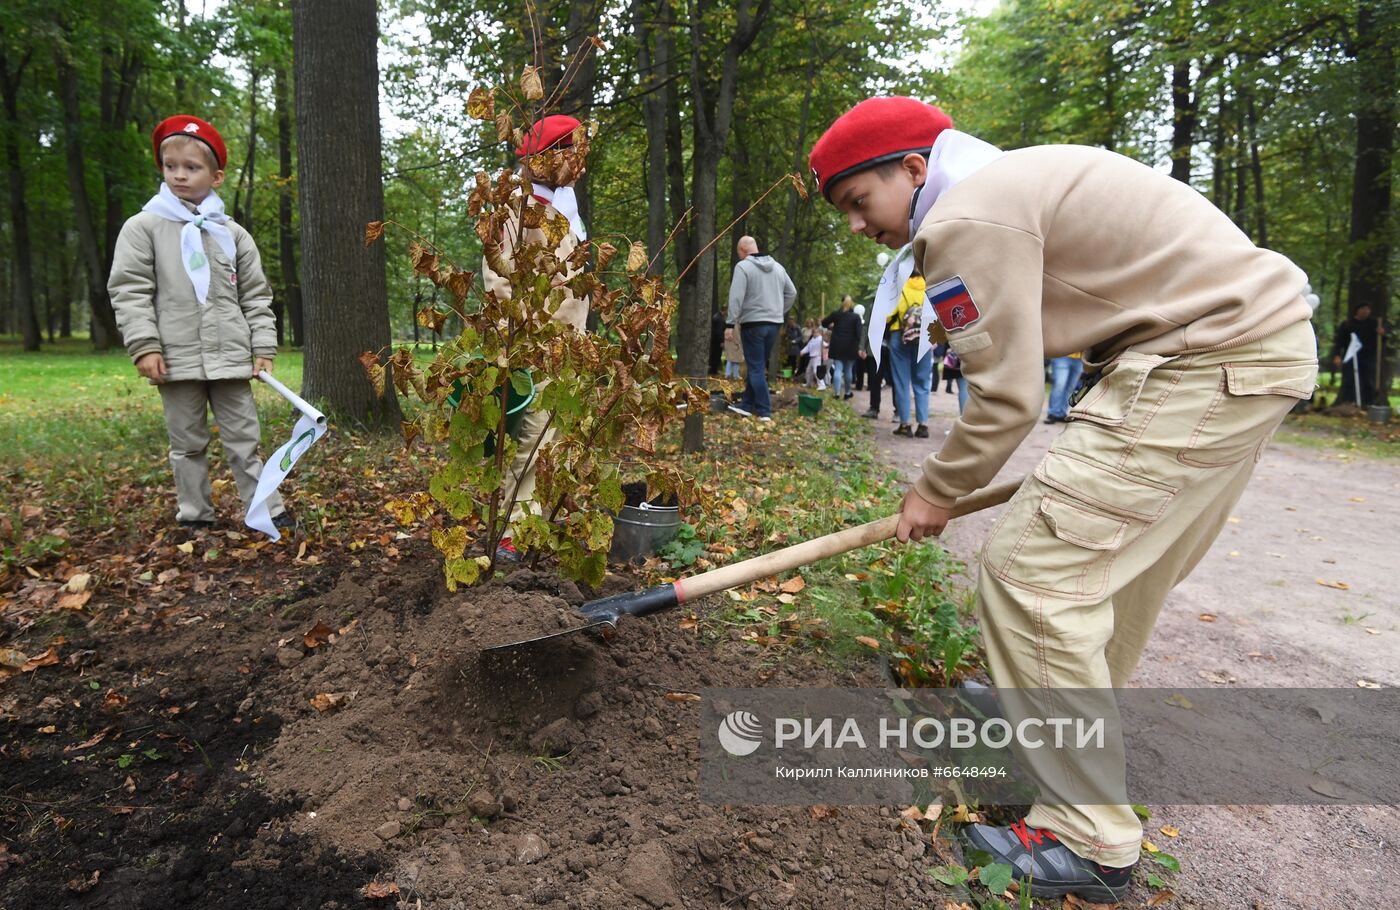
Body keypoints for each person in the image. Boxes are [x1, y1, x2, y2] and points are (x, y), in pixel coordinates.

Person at [810, 96, 1317, 902]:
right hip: (1251, 347)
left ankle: (1086, 834)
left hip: (1203, 354)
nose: (857, 226)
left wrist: (934, 491)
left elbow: (1007, 400)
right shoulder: (1000, 187)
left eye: (857, 203)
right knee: (1108, 568)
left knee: (1031, 571)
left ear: (912, 170)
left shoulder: (966, 219)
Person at [110, 115, 293, 536]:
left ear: (217, 175)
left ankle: (265, 509)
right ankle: (195, 515)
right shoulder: (145, 228)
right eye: (170, 165)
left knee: (245, 441)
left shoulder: (233, 235)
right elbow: (130, 291)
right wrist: (144, 345)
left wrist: (262, 348)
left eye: (191, 167)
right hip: (175, 358)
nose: (179, 175)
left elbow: (256, 296)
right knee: (187, 443)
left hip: (231, 358)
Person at [481, 114, 591, 562]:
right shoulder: (515, 208)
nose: (576, 161)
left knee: (559, 430)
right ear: (545, 157)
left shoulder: (566, 206)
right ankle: (514, 529)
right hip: (533, 343)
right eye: (568, 151)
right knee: (530, 435)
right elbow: (499, 278)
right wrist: (517, 339)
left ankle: (544, 516)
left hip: (569, 344)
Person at [726, 236, 797, 420]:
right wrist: (778, 311)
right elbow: (792, 292)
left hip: (753, 324)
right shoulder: (778, 268)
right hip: (773, 325)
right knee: (757, 366)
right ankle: (747, 405)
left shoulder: (743, 267)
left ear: (742, 251)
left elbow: (736, 298)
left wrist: (730, 323)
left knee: (756, 368)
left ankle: (765, 411)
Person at [887, 275, 934, 438]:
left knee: (901, 381)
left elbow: (888, 313)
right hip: (925, 337)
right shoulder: (930, 287)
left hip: (900, 336)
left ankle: (905, 424)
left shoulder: (899, 287)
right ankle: (923, 425)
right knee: (922, 381)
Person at [1328, 303, 1384, 407]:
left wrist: (1382, 334)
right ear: (1357, 310)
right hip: (1351, 356)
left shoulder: (1374, 323)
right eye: (1363, 309)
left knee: (1368, 380)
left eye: (1368, 309)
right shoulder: (1347, 324)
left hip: (1368, 357)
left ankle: (1368, 403)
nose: (1366, 311)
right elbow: (1339, 341)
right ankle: (1349, 402)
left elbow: (1381, 342)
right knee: (1349, 380)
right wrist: (1337, 355)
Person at [822, 295, 863, 400]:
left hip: (837, 345)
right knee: (848, 370)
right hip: (851, 346)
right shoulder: (856, 317)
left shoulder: (836, 315)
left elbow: (823, 323)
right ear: (851, 304)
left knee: (838, 369)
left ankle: (836, 393)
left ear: (842, 303)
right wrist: (859, 346)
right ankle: (847, 392)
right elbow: (859, 333)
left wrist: (831, 326)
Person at [1044, 352, 1085, 423]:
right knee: (1059, 385)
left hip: (1080, 360)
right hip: (1062, 356)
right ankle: (1053, 413)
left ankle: (1062, 413)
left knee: (1070, 388)